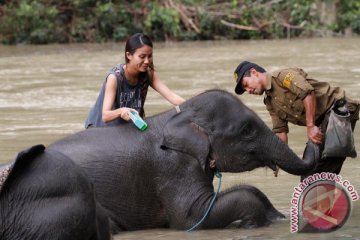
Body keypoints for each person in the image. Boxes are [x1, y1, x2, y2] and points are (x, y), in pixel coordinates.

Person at [233, 61, 359, 177]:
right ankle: (319, 199)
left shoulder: (283, 77)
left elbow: (308, 93)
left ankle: (324, 198)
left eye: (246, 85)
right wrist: (277, 159)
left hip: (338, 110)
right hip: (321, 122)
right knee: (308, 171)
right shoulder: (270, 102)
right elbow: (280, 132)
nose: (248, 91)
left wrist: (310, 126)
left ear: (254, 72)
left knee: (321, 169)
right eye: (245, 90)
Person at [85, 33, 185, 128]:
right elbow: (105, 116)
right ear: (129, 55)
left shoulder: (149, 74)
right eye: (142, 57)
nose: (147, 61)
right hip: (98, 130)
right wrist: (121, 111)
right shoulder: (114, 78)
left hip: (125, 129)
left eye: (149, 56)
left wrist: (195, 105)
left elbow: (172, 97)